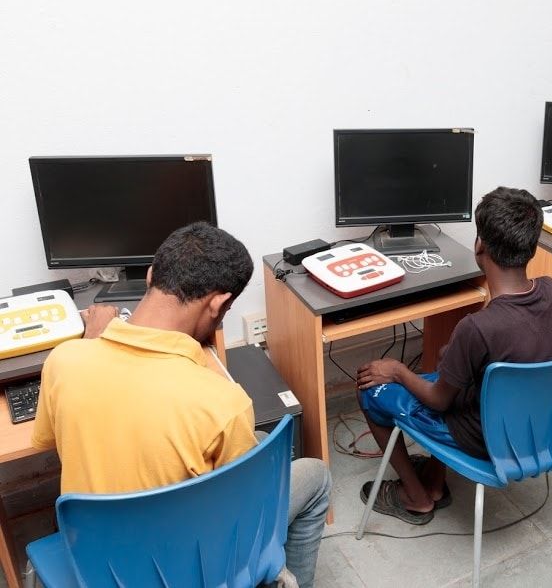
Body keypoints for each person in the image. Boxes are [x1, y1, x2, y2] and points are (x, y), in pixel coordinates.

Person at [32, 222, 330, 588]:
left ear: (150, 274)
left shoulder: (64, 361)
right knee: (314, 474)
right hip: (193, 568)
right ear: (219, 304)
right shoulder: (222, 402)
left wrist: (91, 344)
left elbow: (51, 439)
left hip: (101, 566)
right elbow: (243, 506)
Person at [356, 186, 552, 524]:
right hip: (543, 426)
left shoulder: (477, 328)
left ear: (480, 246)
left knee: (372, 389)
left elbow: (439, 401)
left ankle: (416, 498)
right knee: (456, 375)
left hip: (491, 438)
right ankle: (434, 478)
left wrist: (398, 370)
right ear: (532, 248)